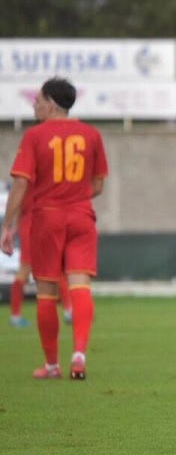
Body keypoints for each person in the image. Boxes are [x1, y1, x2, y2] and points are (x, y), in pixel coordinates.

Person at [1, 77, 107, 380]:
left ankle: (51, 366)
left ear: (50, 103)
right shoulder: (91, 135)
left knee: (46, 291)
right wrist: (74, 198)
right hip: (82, 216)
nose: (34, 105)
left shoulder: (35, 137)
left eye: (37, 100)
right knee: (80, 285)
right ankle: (79, 354)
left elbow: (21, 182)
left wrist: (7, 225)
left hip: (47, 218)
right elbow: (98, 184)